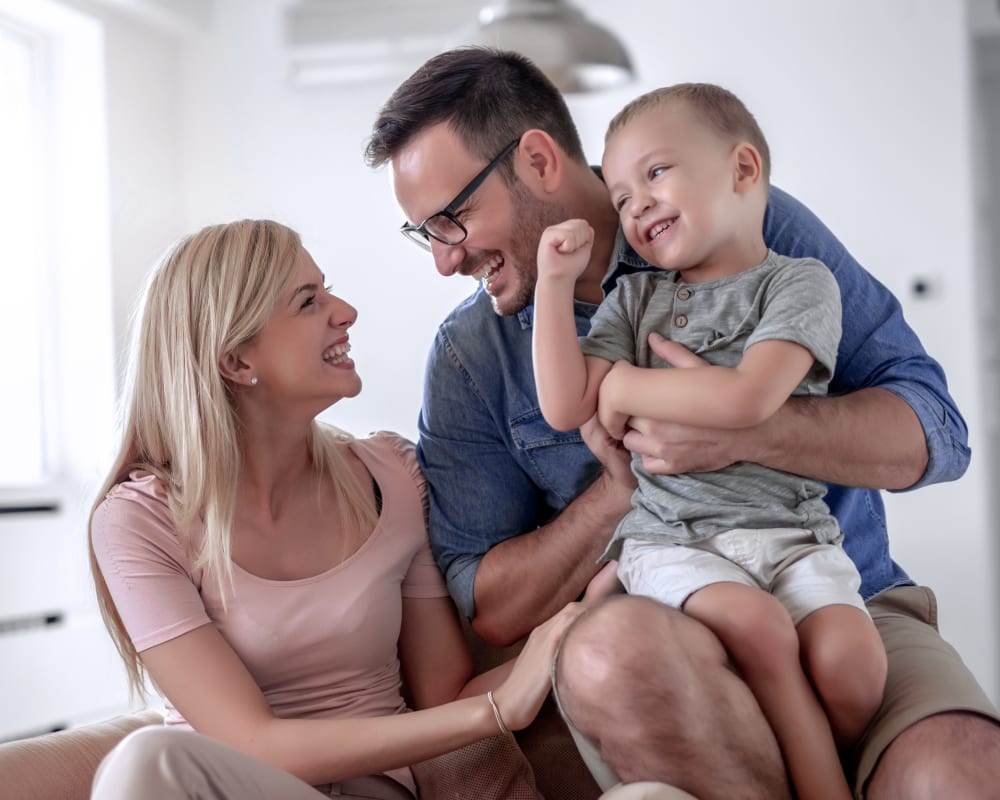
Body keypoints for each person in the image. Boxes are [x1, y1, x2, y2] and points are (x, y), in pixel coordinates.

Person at [365, 46, 1000, 799]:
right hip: (662, 630)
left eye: (453, 218)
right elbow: (492, 605)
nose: (444, 260)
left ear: (537, 160)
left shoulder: (753, 229)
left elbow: (938, 434)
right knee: (610, 655)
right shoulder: (472, 353)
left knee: (958, 766)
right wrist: (621, 486)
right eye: (426, 234)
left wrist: (748, 426)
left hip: (840, 594)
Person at [86, 218, 583, 800]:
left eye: (328, 289)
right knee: (143, 765)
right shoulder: (139, 522)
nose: (345, 310)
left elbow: (442, 698)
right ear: (236, 361)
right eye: (308, 301)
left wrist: (573, 628)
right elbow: (252, 744)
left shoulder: (390, 478)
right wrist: (498, 710)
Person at [533, 83, 888, 800]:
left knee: (855, 667)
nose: (637, 207)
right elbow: (568, 404)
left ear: (744, 169)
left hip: (792, 536)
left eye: (656, 174)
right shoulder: (635, 300)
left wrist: (626, 388)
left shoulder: (800, 283)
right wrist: (551, 282)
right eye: (623, 197)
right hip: (678, 540)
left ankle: (782, 750)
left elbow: (749, 397)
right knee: (755, 624)